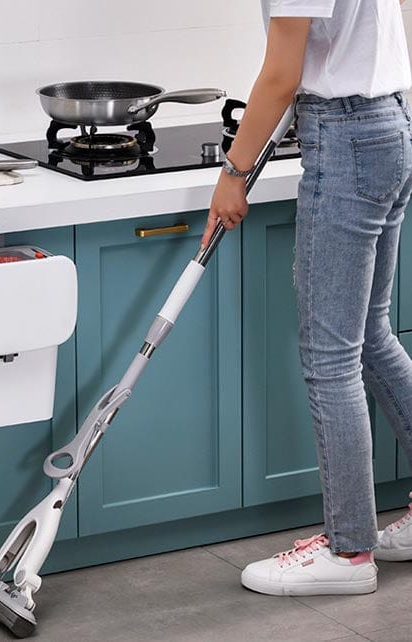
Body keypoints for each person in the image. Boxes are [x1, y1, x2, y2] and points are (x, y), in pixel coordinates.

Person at [201, 0, 412, 596]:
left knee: (331, 357)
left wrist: (233, 173)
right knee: (371, 337)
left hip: (347, 136)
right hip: (390, 122)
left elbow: (281, 74)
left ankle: (348, 553)